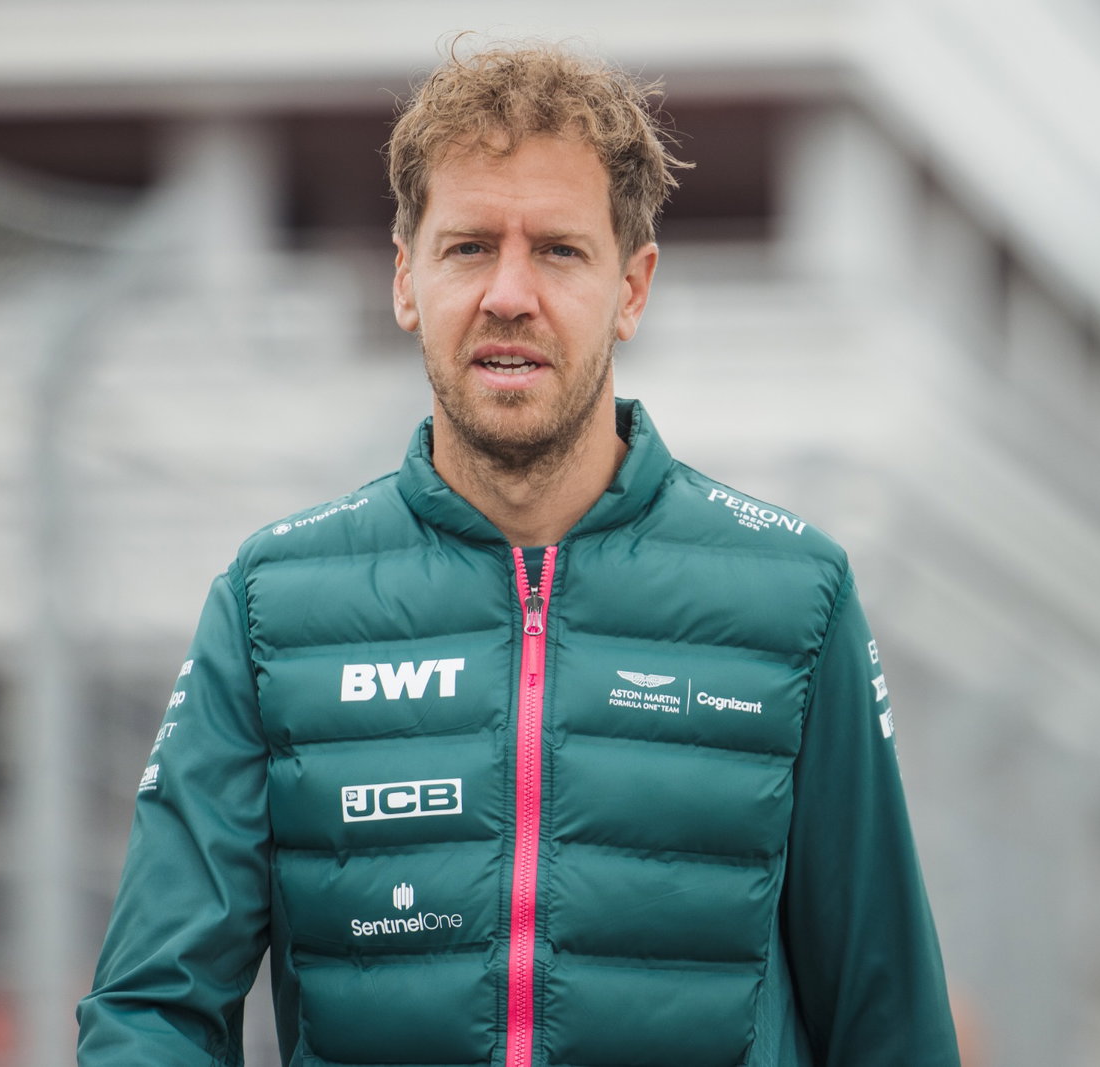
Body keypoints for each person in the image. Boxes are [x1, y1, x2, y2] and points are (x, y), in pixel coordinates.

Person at [78, 42, 961, 1067]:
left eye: (558, 250)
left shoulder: (793, 600)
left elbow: (890, 1026)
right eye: (467, 248)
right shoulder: (273, 605)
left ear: (632, 288)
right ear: (406, 279)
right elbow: (151, 1006)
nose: (508, 293)